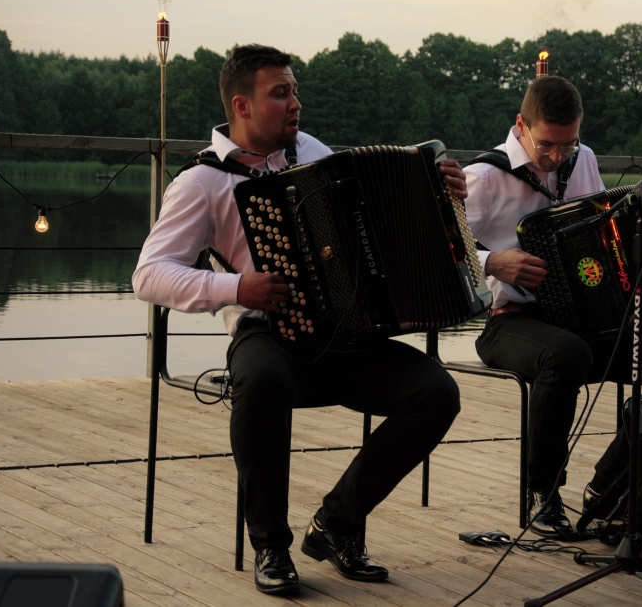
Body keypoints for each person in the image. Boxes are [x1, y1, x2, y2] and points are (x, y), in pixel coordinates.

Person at [133, 44, 464, 595]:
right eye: (280, 93)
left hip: (343, 334)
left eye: (295, 91)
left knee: (436, 393)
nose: (295, 104)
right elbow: (148, 276)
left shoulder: (311, 152)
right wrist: (237, 287)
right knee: (260, 380)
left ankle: (337, 523)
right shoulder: (201, 183)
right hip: (266, 334)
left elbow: (372, 227)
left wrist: (437, 194)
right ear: (242, 105)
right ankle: (270, 545)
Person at [463, 75, 642, 538]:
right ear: (521, 125)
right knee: (567, 355)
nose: (558, 158)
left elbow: (606, 240)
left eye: (569, 145)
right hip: (511, 324)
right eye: (547, 146)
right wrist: (492, 261)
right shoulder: (484, 178)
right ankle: (542, 494)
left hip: (584, 323)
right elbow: (433, 253)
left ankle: (608, 486)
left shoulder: (586, 160)